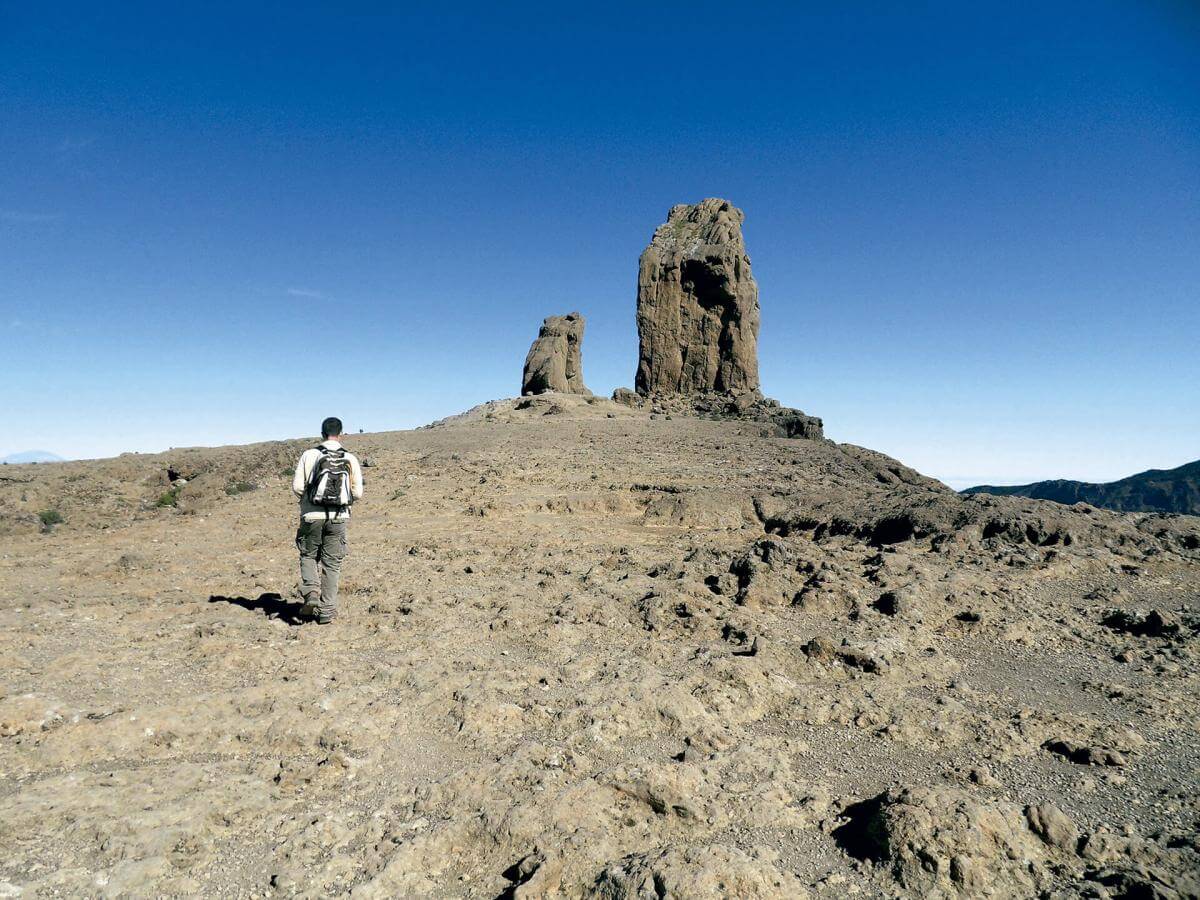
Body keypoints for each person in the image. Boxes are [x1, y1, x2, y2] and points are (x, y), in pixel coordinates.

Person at [291, 417, 364, 624]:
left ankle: (311, 593)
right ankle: (327, 611)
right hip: (339, 517)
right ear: (340, 433)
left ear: (321, 433)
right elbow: (357, 492)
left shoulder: (309, 455)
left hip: (311, 516)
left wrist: (309, 502)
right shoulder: (350, 458)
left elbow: (297, 486)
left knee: (308, 555)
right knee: (332, 564)